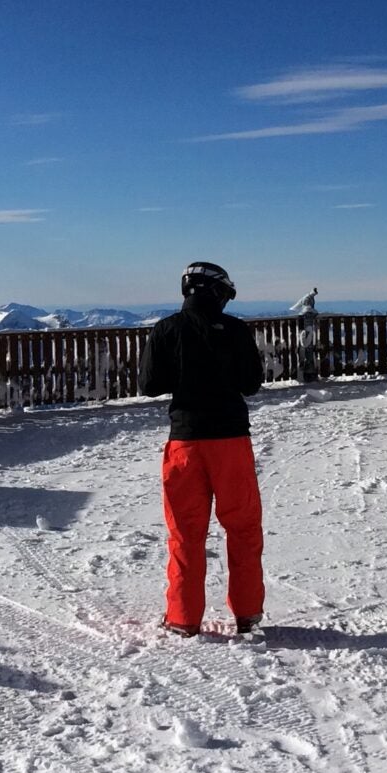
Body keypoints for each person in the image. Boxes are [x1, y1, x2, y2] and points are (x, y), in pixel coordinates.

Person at [138, 260, 265, 636]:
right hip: (230, 441)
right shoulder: (237, 331)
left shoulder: (166, 329)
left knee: (185, 532)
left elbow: (149, 384)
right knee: (242, 527)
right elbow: (252, 384)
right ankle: (247, 614)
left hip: (185, 443)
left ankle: (182, 618)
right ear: (215, 291)